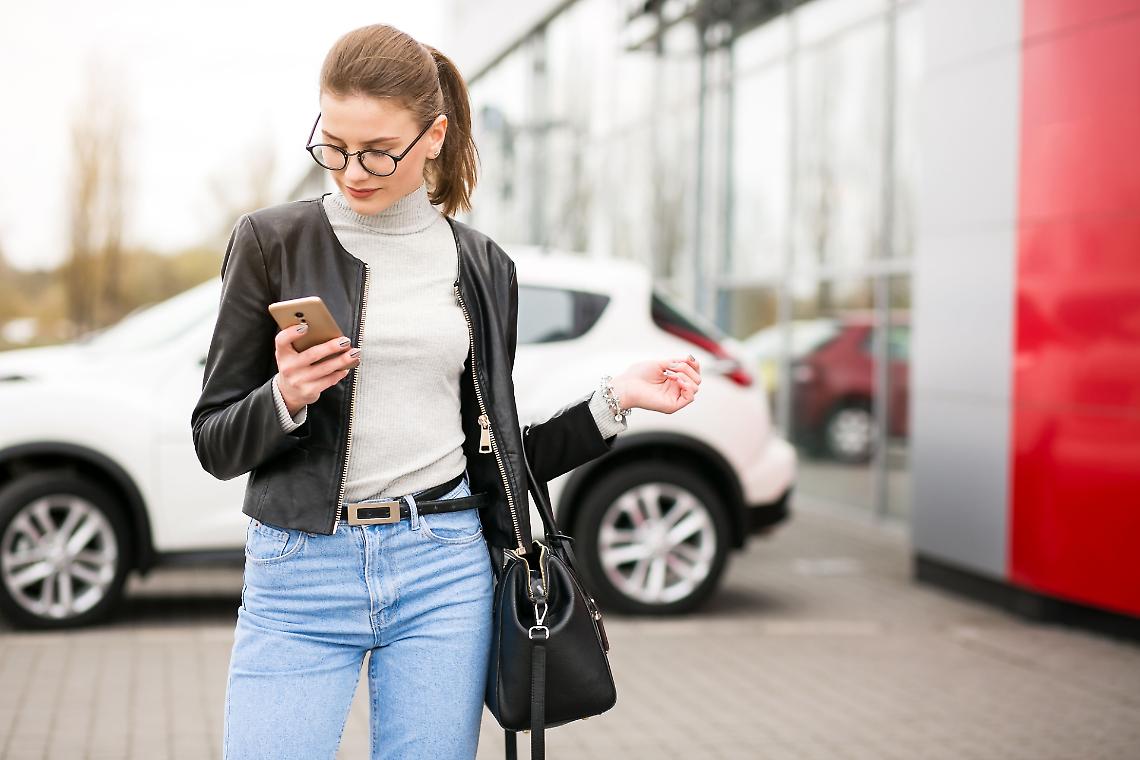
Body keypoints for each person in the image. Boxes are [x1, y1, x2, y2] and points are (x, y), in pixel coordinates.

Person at [190, 22, 702, 760]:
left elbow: (496, 457)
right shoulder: (271, 242)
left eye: (377, 151)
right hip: (299, 570)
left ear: (432, 137)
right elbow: (213, 441)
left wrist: (613, 400)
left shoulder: (483, 266)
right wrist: (285, 398)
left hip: (442, 567)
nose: (352, 171)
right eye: (333, 146)